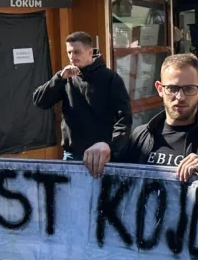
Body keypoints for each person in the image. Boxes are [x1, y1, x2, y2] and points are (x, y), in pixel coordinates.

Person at [112, 54, 198, 205]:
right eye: (172, 88)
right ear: (160, 89)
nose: (180, 97)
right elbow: (115, 186)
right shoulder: (140, 137)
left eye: (189, 88)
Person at [33, 32, 133, 171]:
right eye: (69, 52)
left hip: (101, 156)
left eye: (77, 52)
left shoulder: (110, 78)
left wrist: (112, 147)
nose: (72, 57)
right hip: (72, 155)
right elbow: (40, 101)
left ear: (90, 52)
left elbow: (124, 118)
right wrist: (59, 78)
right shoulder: (66, 77)